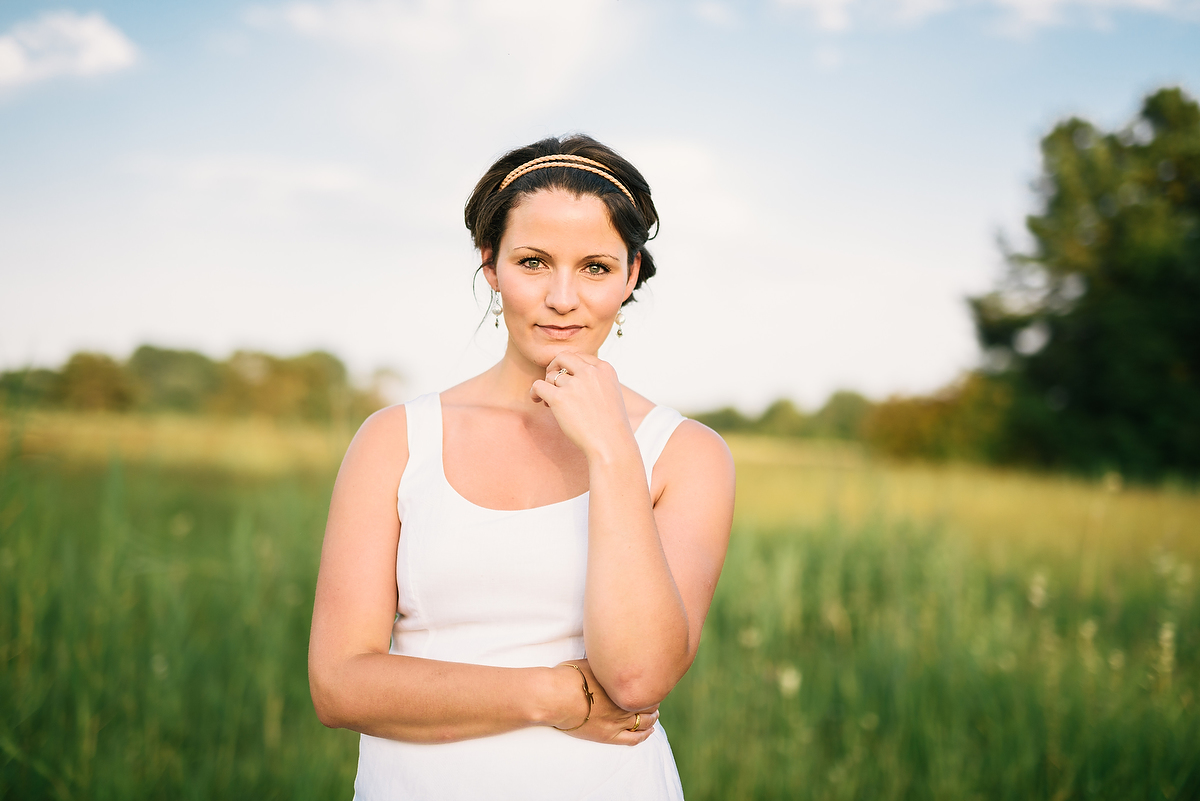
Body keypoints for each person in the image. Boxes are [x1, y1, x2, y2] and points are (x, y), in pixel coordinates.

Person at [308, 134, 736, 800]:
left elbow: (637, 678)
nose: (562, 296)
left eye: (595, 266)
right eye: (533, 261)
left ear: (631, 274)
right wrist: (551, 694)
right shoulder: (395, 440)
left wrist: (611, 450)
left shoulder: (685, 454)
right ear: (491, 265)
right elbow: (337, 685)